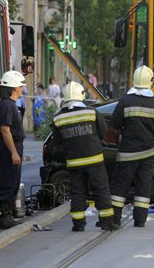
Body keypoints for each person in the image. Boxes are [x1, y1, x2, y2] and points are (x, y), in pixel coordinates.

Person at [51, 81, 119, 232]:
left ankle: (78, 224)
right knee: (101, 190)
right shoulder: (91, 112)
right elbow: (103, 132)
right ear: (81, 95)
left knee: (77, 192)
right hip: (94, 160)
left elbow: (57, 141)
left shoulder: (58, 118)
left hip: (74, 163)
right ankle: (107, 222)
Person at [110, 65, 154, 228]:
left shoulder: (125, 101)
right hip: (149, 154)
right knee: (143, 187)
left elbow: (114, 123)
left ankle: (115, 219)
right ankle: (140, 220)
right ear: (151, 82)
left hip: (127, 154)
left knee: (120, 186)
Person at [0, 70, 27, 229]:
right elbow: (5, 130)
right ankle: (3, 218)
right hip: (9, 146)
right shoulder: (7, 105)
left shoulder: (9, 104)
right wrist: (14, 152)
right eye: (20, 86)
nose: (22, 89)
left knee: (12, 181)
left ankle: (7, 216)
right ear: (14, 88)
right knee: (7, 181)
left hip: (12, 145)